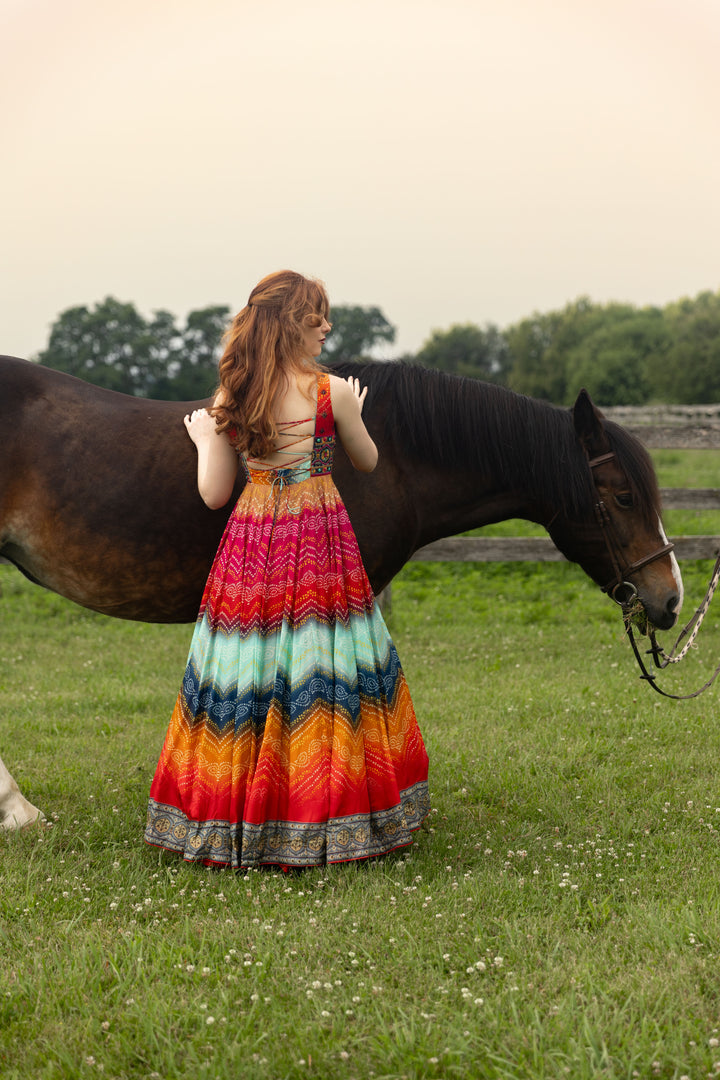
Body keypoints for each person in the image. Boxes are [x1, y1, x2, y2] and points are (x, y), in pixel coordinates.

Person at [144, 270, 429, 869]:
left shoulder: (233, 395)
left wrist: (203, 442)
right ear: (288, 324)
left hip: (253, 541)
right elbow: (369, 461)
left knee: (247, 665)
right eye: (315, 318)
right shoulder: (335, 393)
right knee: (325, 666)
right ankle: (324, 815)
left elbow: (215, 494)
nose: (327, 327)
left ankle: (242, 814)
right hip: (321, 540)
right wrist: (357, 411)